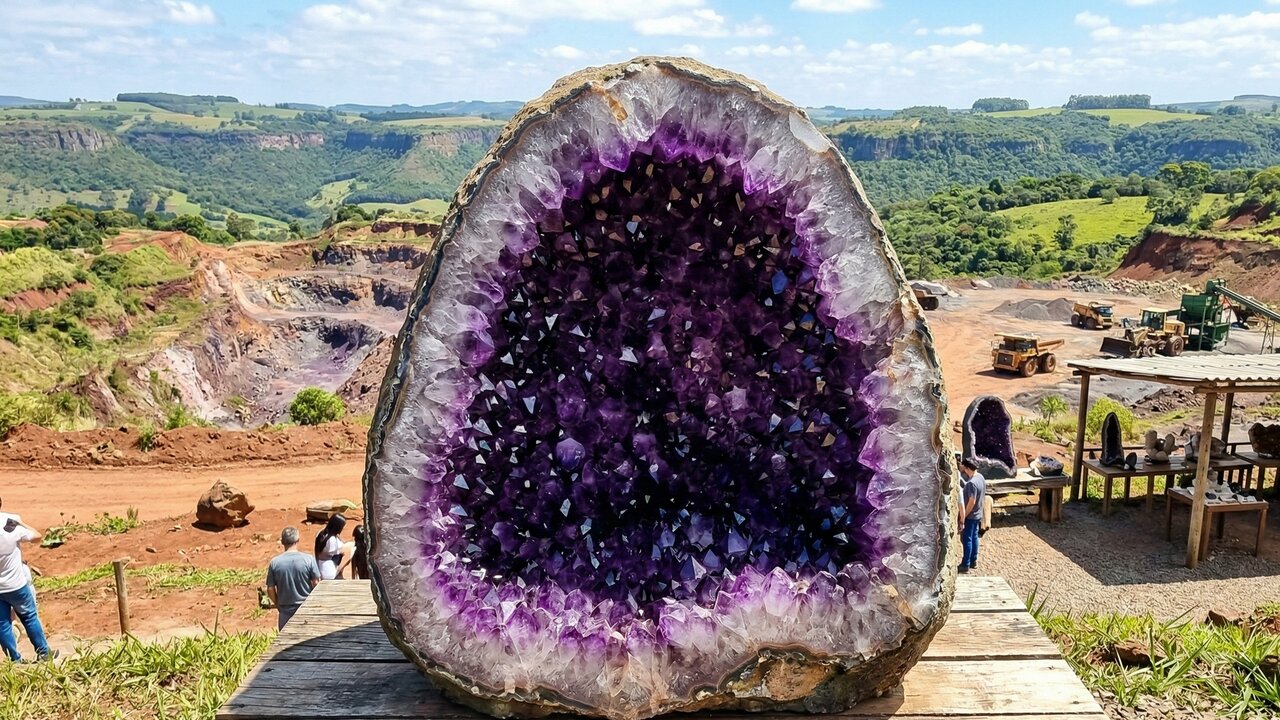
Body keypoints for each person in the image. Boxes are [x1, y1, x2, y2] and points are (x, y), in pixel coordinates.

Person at [0, 515, 51, 661]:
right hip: (16, 585)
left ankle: (14, 660)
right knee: (29, 617)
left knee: (2, 624)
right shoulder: (10, 525)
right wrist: (22, 523)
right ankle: (44, 653)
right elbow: (37, 537)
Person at [265, 527, 320, 630]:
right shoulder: (308, 559)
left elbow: (270, 589)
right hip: (305, 608)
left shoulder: (275, 563)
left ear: (282, 542)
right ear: (297, 540)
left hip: (285, 611)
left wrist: (277, 603)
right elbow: (316, 583)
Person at [958, 459, 986, 574]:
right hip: (978, 514)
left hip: (971, 516)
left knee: (967, 539)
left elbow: (972, 501)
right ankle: (973, 560)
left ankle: (966, 564)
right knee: (974, 537)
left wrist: (963, 516)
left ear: (967, 468)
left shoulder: (971, 483)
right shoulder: (981, 477)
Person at [314, 514, 347, 581]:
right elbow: (340, 551)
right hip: (329, 570)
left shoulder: (322, 533)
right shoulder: (331, 540)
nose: (343, 528)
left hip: (321, 566)